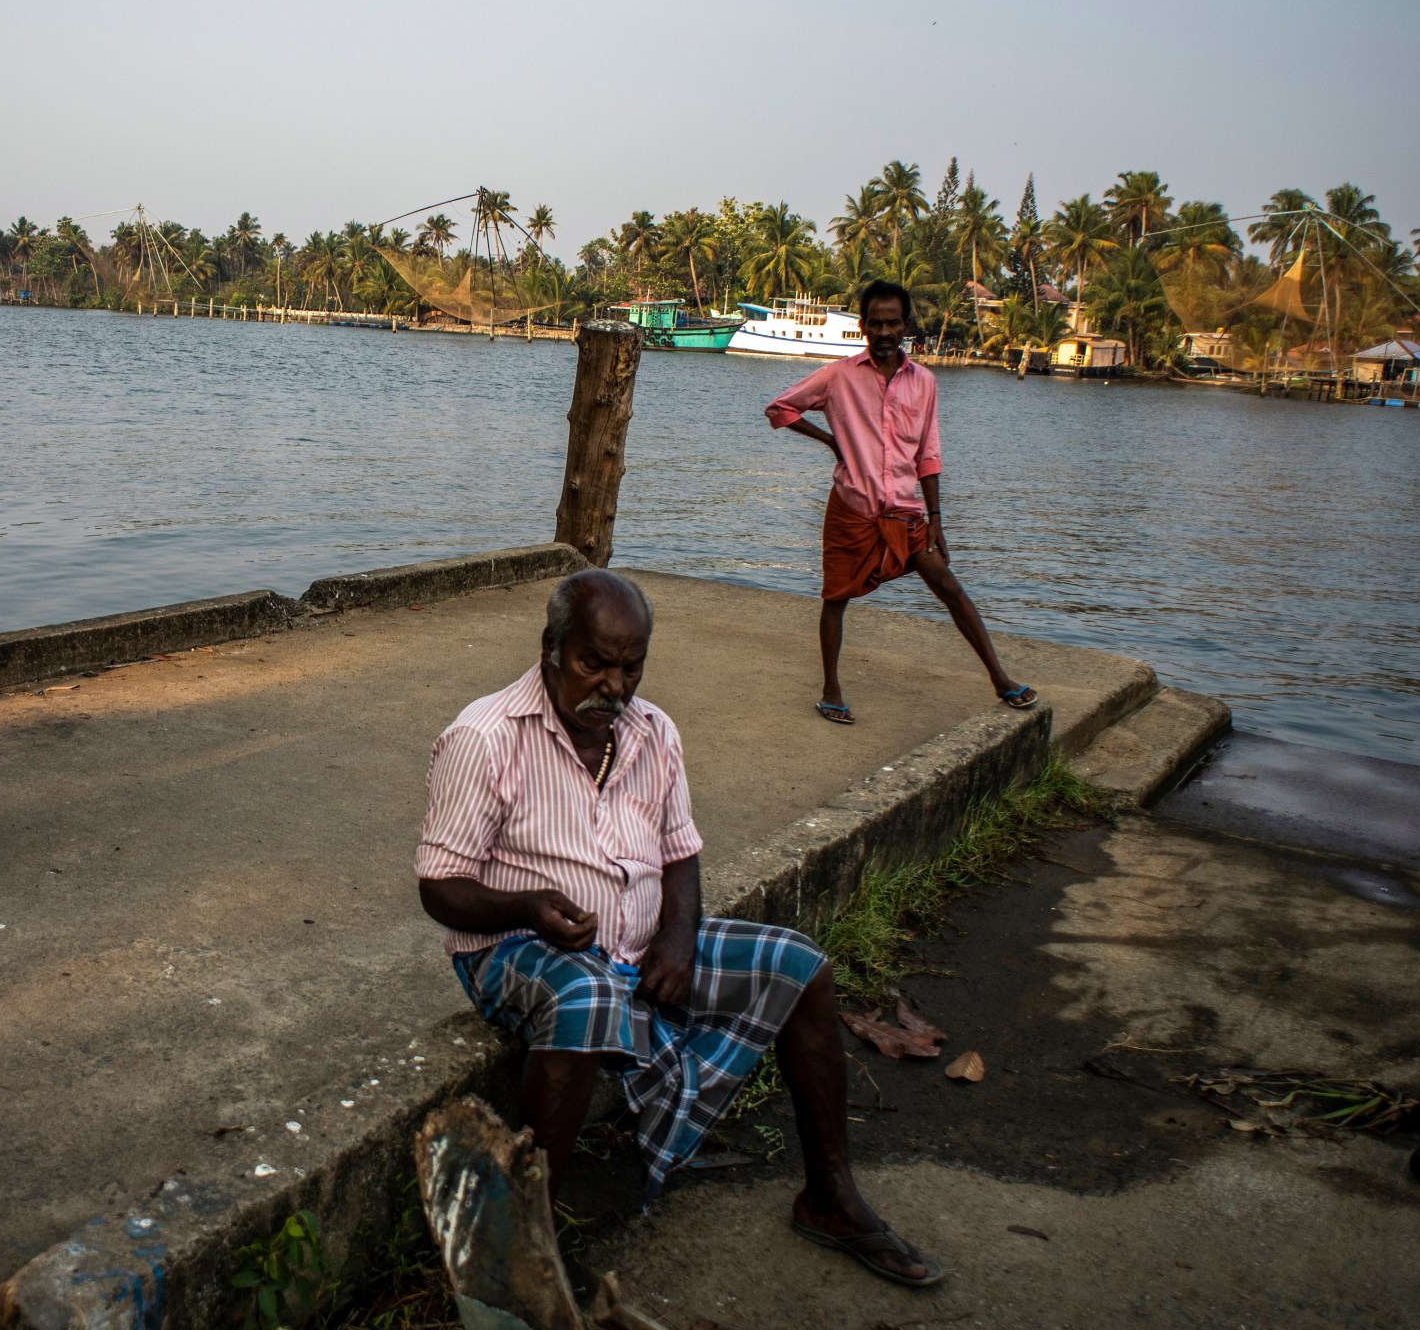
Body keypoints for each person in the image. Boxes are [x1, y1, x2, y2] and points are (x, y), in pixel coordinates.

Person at [415, 569, 943, 1288]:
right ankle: (526, 1252)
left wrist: (677, 937)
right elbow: (440, 888)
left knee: (801, 968)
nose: (613, 685)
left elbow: (681, 854)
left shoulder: (654, 733)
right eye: (592, 663)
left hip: (635, 946)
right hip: (515, 947)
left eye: (630, 668)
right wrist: (524, 906)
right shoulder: (484, 738)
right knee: (588, 1000)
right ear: (551, 648)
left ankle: (829, 1197)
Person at [764, 280, 1036, 725]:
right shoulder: (839, 376)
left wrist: (936, 520)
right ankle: (831, 690)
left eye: (893, 322)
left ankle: (1001, 679)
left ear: (906, 325)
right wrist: (832, 441)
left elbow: (928, 455)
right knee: (836, 597)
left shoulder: (924, 382)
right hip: (852, 509)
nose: (885, 330)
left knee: (948, 586)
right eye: (876, 322)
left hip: (906, 514)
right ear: (863, 326)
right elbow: (780, 409)